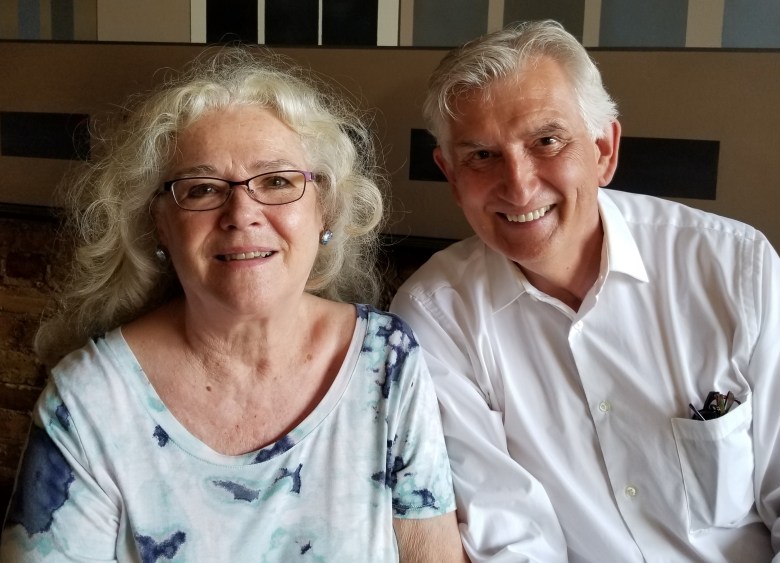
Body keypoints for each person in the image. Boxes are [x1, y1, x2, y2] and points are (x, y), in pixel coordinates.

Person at [1, 48, 466, 562]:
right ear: (160, 224)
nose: (242, 213)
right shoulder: (87, 401)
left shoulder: (388, 361)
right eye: (202, 189)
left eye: (277, 182)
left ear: (325, 208)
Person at [391, 19, 780, 562]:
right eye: (481, 155)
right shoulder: (436, 315)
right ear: (451, 175)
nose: (519, 184)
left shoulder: (734, 266)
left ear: (603, 149)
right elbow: (508, 537)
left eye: (546, 141)